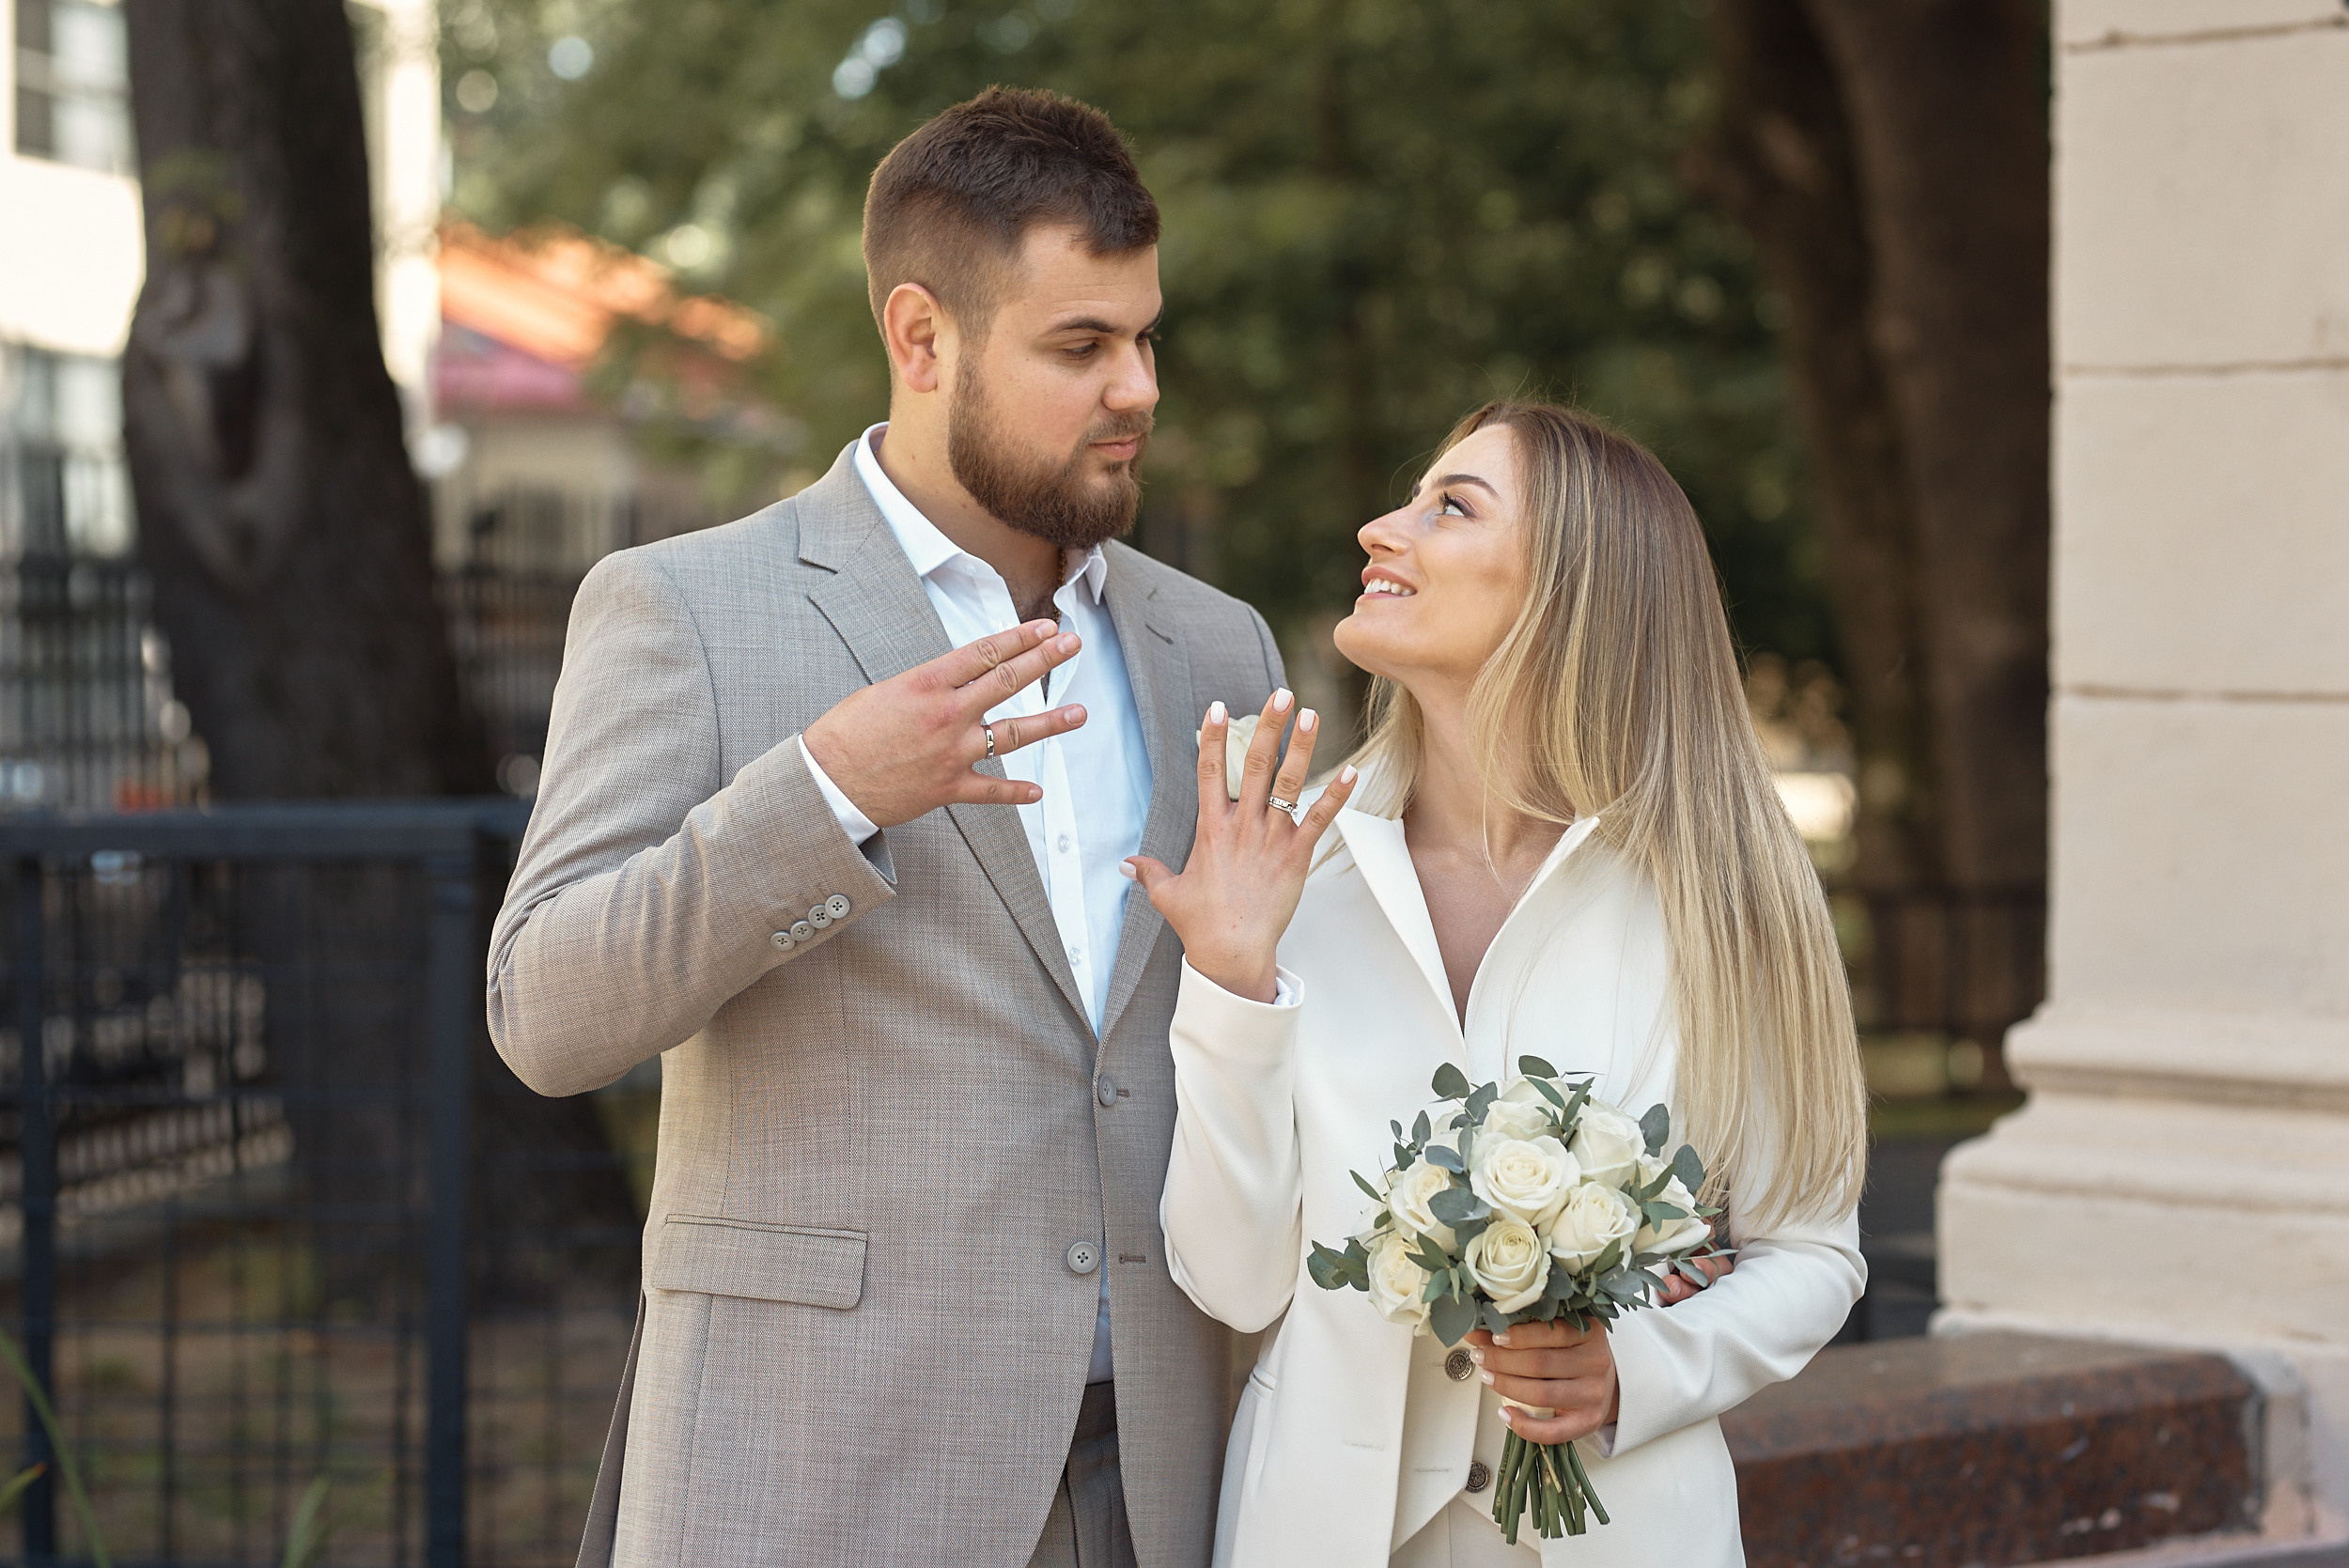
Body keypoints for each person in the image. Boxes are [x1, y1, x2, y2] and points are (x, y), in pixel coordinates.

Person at [488, 88, 1283, 1568]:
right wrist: (824, 793)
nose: (1140, 388)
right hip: (820, 1462)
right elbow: (545, 1012)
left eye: (1144, 336)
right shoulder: (686, 609)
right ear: (922, 339)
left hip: (1167, 1471)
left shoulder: (1221, 649)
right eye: (1080, 346)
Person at [1133, 400, 1871, 1566]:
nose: (1382, 528)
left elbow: (1812, 1254)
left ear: (1573, 588)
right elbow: (1230, 1283)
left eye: (1449, 507)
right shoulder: (1293, 869)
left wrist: (1633, 1368)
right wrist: (1227, 981)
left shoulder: (1721, 894)